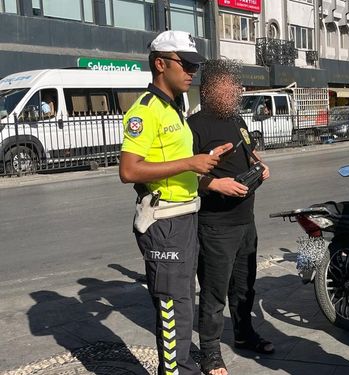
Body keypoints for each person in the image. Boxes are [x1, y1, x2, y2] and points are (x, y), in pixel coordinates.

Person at [119, 30, 231, 375]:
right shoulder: (146, 111)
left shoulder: (174, 109)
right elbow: (128, 170)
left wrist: (204, 165)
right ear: (160, 64)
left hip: (184, 217)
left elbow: (176, 165)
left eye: (195, 66)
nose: (192, 72)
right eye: (186, 64)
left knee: (183, 303)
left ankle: (181, 367)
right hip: (164, 222)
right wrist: (189, 163)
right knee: (172, 307)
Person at [189, 59, 271, 375]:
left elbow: (248, 152)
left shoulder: (237, 120)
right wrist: (216, 184)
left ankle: (244, 334)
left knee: (244, 288)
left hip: (244, 220)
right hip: (215, 225)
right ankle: (210, 353)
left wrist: (260, 165)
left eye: (235, 85)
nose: (235, 90)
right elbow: (187, 176)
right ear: (210, 89)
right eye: (229, 85)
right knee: (213, 294)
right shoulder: (194, 126)